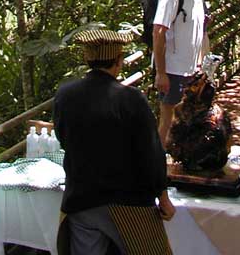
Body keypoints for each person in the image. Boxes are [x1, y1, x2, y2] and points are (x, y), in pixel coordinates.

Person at [54, 29, 175, 255]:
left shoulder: (65, 95)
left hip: (81, 199)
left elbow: (64, 139)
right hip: (128, 202)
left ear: (86, 59)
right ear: (118, 62)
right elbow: (151, 153)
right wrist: (163, 196)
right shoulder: (131, 99)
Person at [153, 0, 206, 146]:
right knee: (168, 120)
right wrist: (161, 72)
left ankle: (176, 161)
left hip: (190, 70)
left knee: (183, 121)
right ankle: (158, 163)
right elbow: (158, 32)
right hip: (172, 70)